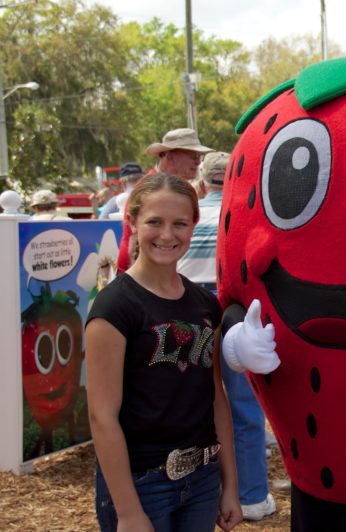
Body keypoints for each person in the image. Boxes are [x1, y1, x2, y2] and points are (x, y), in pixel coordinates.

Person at [85, 173, 243, 532]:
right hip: (142, 484)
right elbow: (102, 417)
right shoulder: (115, 307)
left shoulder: (206, 305)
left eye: (179, 224)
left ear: (194, 226)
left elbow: (216, 397)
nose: (167, 235)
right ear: (133, 222)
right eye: (154, 222)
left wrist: (230, 484)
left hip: (202, 478)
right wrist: (127, 511)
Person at [176, 152, 278, 521]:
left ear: (203, 182)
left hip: (185, 316)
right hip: (234, 315)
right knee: (243, 407)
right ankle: (251, 495)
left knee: (186, 405)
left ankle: (197, 494)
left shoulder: (189, 215)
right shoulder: (245, 214)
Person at [116, 128, 213, 272]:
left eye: (199, 156)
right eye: (192, 155)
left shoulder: (178, 189)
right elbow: (133, 241)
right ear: (169, 156)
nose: (197, 161)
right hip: (141, 278)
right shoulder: (149, 188)